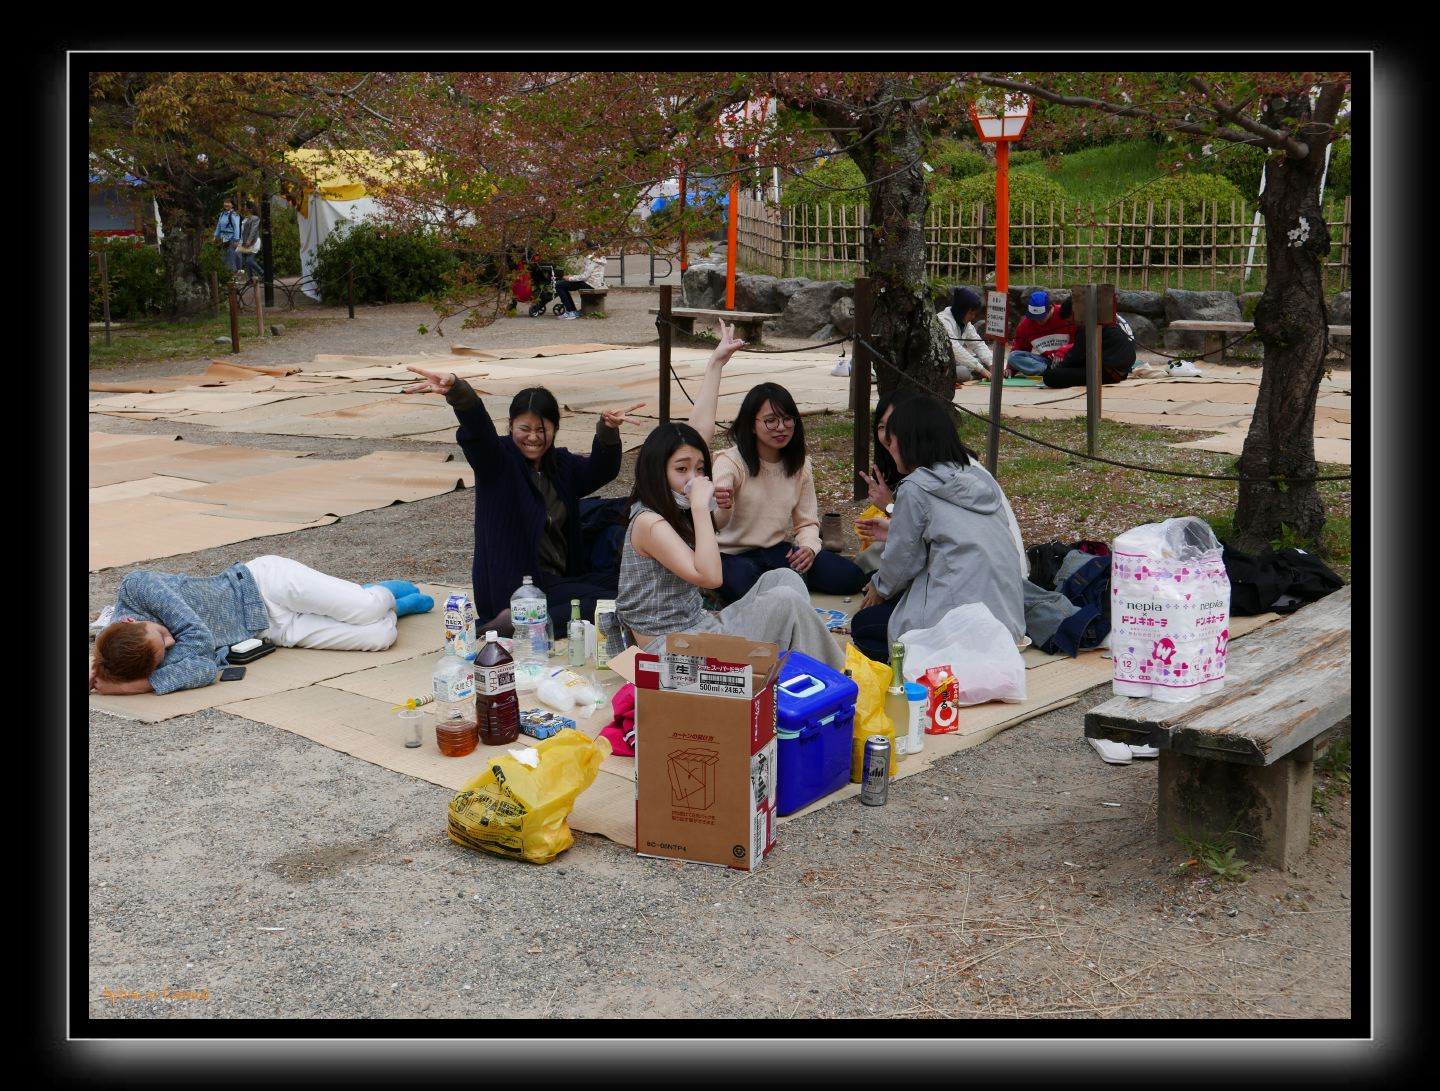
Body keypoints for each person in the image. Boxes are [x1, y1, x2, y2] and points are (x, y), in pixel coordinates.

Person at [403, 366, 650, 635]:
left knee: (627, 589)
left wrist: (608, 430)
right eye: (524, 428)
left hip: (557, 581)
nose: (532, 437)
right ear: (510, 427)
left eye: (541, 429)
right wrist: (459, 392)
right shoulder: (498, 462)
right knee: (602, 605)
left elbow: (601, 470)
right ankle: (504, 624)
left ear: (555, 429)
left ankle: (522, 622)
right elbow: (478, 431)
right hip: (513, 587)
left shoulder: (561, 466)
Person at [614, 413, 844, 672]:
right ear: (657, 472)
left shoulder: (674, 508)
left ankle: (806, 672)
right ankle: (838, 677)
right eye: (681, 469)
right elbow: (712, 577)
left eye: (700, 469)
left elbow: (700, 427)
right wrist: (701, 508)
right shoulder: (649, 522)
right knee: (785, 601)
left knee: (785, 579)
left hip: (698, 630)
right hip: (672, 653)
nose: (694, 479)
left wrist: (713, 369)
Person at [88, 557, 433, 696]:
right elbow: (205, 669)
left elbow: (198, 637)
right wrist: (128, 686)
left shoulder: (138, 587)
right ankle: (390, 607)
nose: (173, 640)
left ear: (131, 620)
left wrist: (144, 676)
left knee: (363, 608)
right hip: (270, 630)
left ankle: (382, 593)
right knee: (379, 636)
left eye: (161, 634)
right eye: (166, 652)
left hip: (264, 583)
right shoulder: (147, 653)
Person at [849, 396, 1027, 663]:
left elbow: (902, 562)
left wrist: (879, 587)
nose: (889, 444)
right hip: (1009, 625)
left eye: (893, 436)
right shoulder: (976, 476)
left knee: (864, 626)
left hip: (961, 631)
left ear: (910, 440)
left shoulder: (915, 486)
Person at [709, 383, 869, 603]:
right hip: (732, 556)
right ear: (752, 425)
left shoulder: (799, 465)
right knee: (745, 584)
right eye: (771, 420)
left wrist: (808, 548)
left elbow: (807, 522)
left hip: (776, 551)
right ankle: (781, 585)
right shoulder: (730, 461)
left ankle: (784, 582)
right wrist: (723, 497)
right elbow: (721, 491)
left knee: (851, 578)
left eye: (787, 419)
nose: (781, 427)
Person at [1040, 298, 1137, 388]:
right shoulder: (1099, 316)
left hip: (1109, 372)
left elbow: (1076, 356)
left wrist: (1058, 369)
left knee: (1050, 376)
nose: (1073, 324)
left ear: (1074, 314)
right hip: (1118, 369)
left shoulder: (1087, 325)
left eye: (1071, 322)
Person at [1007, 290, 1076, 377]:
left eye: (1041, 317)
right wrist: (1011, 368)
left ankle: (1056, 371)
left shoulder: (1065, 314)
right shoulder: (1025, 325)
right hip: (1046, 362)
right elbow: (1018, 349)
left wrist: (1063, 351)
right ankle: (1048, 371)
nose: (1038, 320)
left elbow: (1080, 343)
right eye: (1034, 317)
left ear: (1051, 308)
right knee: (1013, 356)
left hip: (1069, 358)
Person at [937, 287, 993, 382]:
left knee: (986, 363)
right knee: (963, 372)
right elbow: (955, 349)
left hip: (958, 363)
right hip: (942, 364)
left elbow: (978, 344)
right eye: (970, 313)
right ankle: (975, 375)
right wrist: (982, 370)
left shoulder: (965, 324)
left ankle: (979, 373)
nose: (973, 317)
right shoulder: (943, 321)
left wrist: (992, 364)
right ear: (961, 310)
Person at [555, 240, 606, 320]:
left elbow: (585, 276)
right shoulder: (600, 256)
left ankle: (571, 311)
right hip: (595, 282)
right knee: (563, 284)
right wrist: (573, 276)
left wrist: (570, 278)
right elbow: (586, 275)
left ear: (588, 249)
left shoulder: (591, 259)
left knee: (559, 285)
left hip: (589, 283)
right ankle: (572, 311)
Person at [236, 200, 264, 286]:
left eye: (245, 205)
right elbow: (243, 232)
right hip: (245, 242)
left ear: (250, 208)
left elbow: (253, 230)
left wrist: (249, 240)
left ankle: (263, 273)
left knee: (249, 261)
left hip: (253, 242)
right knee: (246, 261)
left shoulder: (255, 218)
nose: (244, 207)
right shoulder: (246, 218)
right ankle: (250, 279)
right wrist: (241, 242)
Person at [213, 198, 242, 273]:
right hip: (224, 238)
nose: (226, 204)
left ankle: (235, 273)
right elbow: (219, 226)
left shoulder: (234, 214)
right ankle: (227, 274)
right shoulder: (222, 214)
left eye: (228, 202)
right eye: (225, 202)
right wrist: (215, 236)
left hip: (232, 238)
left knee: (232, 257)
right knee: (224, 257)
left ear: (232, 205)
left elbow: (236, 227)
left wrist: (236, 240)